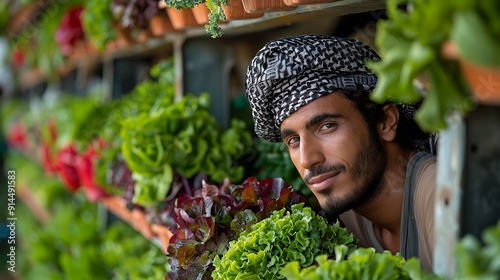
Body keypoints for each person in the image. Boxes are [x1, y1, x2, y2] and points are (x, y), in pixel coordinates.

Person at [244, 34, 436, 272]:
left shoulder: (441, 199)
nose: (308, 159)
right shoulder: (350, 215)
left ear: (386, 122)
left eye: (327, 126)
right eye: (293, 140)